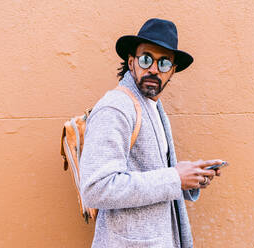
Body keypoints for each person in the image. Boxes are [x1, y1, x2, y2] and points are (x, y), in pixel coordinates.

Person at [80, 18, 224, 248]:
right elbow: (95, 188)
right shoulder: (115, 108)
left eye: (164, 63)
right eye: (146, 59)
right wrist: (174, 177)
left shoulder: (152, 105)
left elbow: (150, 175)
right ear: (131, 62)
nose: (154, 70)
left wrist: (189, 177)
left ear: (172, 72)